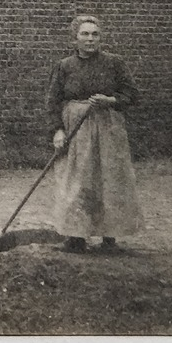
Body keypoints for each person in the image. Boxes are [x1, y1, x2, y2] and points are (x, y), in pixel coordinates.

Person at [46, 14, 142, 252]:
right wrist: (57, 130)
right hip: (76, 132)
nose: (90, 39)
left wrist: (110, 100)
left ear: (101, 37)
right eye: (85, 34)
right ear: (75, 38)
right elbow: (53, 101)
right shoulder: (65, 66)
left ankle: (110, 237)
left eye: (95, 34)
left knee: (110, 180)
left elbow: (133, 95)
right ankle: (76, 237)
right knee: (77, 181)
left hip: (109, 129)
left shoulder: (114, 63)